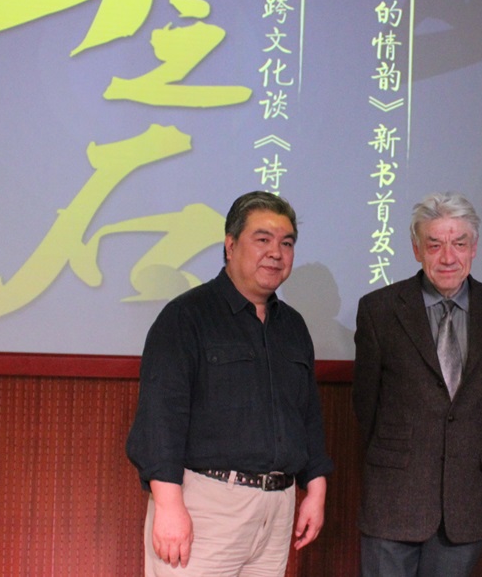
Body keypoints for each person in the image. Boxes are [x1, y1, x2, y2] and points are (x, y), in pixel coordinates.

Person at [126, 191, 334, 577]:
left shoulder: (292, 326)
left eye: (287, 243)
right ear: (230, 244)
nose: (276, 253)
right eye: (262, 239)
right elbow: (160, 418)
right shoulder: (186, 317)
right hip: (206, 505)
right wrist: (169, 507)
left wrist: (316, 491)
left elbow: (307, 417)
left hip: (277, 509)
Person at [352, 192, 482, 577]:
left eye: (459, 243)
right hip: (394, 496)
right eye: (434, 245)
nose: (448, 257)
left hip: (465, 501)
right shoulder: (379, 309)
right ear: (417, 250)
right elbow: (366, 403)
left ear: (474, 248)